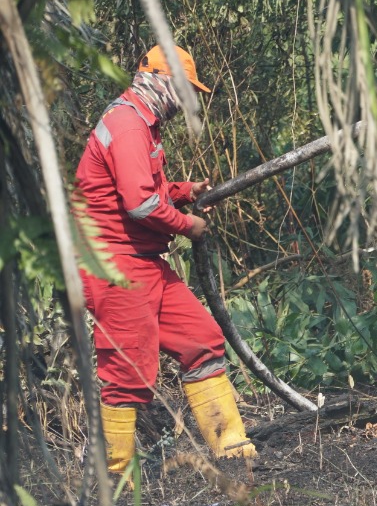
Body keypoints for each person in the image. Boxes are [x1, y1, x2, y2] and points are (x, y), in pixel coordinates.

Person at [75, 45, 257, 474]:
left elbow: (141, 191)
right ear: (163, 80)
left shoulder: (142, 124)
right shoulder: (127, 126)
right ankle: (114, 475)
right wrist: (187, 225)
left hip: (144, 261)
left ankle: (231, 448)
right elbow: (138, 205)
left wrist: (180, 191)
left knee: (201, 338)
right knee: (126, 370)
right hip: (115, 264)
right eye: (184, 90)